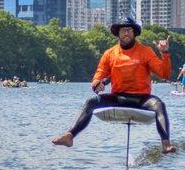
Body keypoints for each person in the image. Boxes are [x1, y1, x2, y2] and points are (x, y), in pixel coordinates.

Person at [52, 17, 177, 154]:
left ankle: (166, 144)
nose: (127, 33)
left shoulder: (146, 51)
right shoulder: (109, 53)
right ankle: (70, 136)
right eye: (123, 30)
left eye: (129, 30)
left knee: (159, 104)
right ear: (118, 33)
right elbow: (99, 73)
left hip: (142, 99)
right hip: (118, 98)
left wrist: (164, 53)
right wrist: (96, 83)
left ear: (134, 33)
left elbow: (164, 74)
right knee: (91, 102)